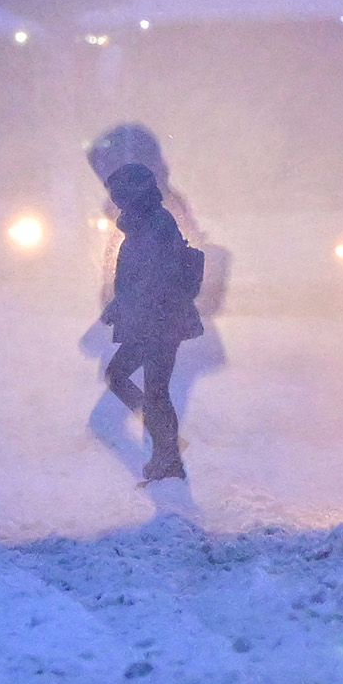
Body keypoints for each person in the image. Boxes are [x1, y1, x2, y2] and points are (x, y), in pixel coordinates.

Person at [82, 124, 228, 459]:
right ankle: (173, 499)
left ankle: (175, 505)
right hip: (163, 335)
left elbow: (158, 280)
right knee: (119, 424)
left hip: (175, 338)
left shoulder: (157, 210)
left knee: (134, 429)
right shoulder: (138, 211)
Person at [98, 162, 203, 484]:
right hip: (151, 319)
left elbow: (154, 276)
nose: (115, 200)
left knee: (151, 389)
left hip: (160, 320)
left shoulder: (154, 223)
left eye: (118, 194)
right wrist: (121, 304)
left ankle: (168, 455)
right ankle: (167, 447)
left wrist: (122, 303)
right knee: (134, 383)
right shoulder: (143, 221)